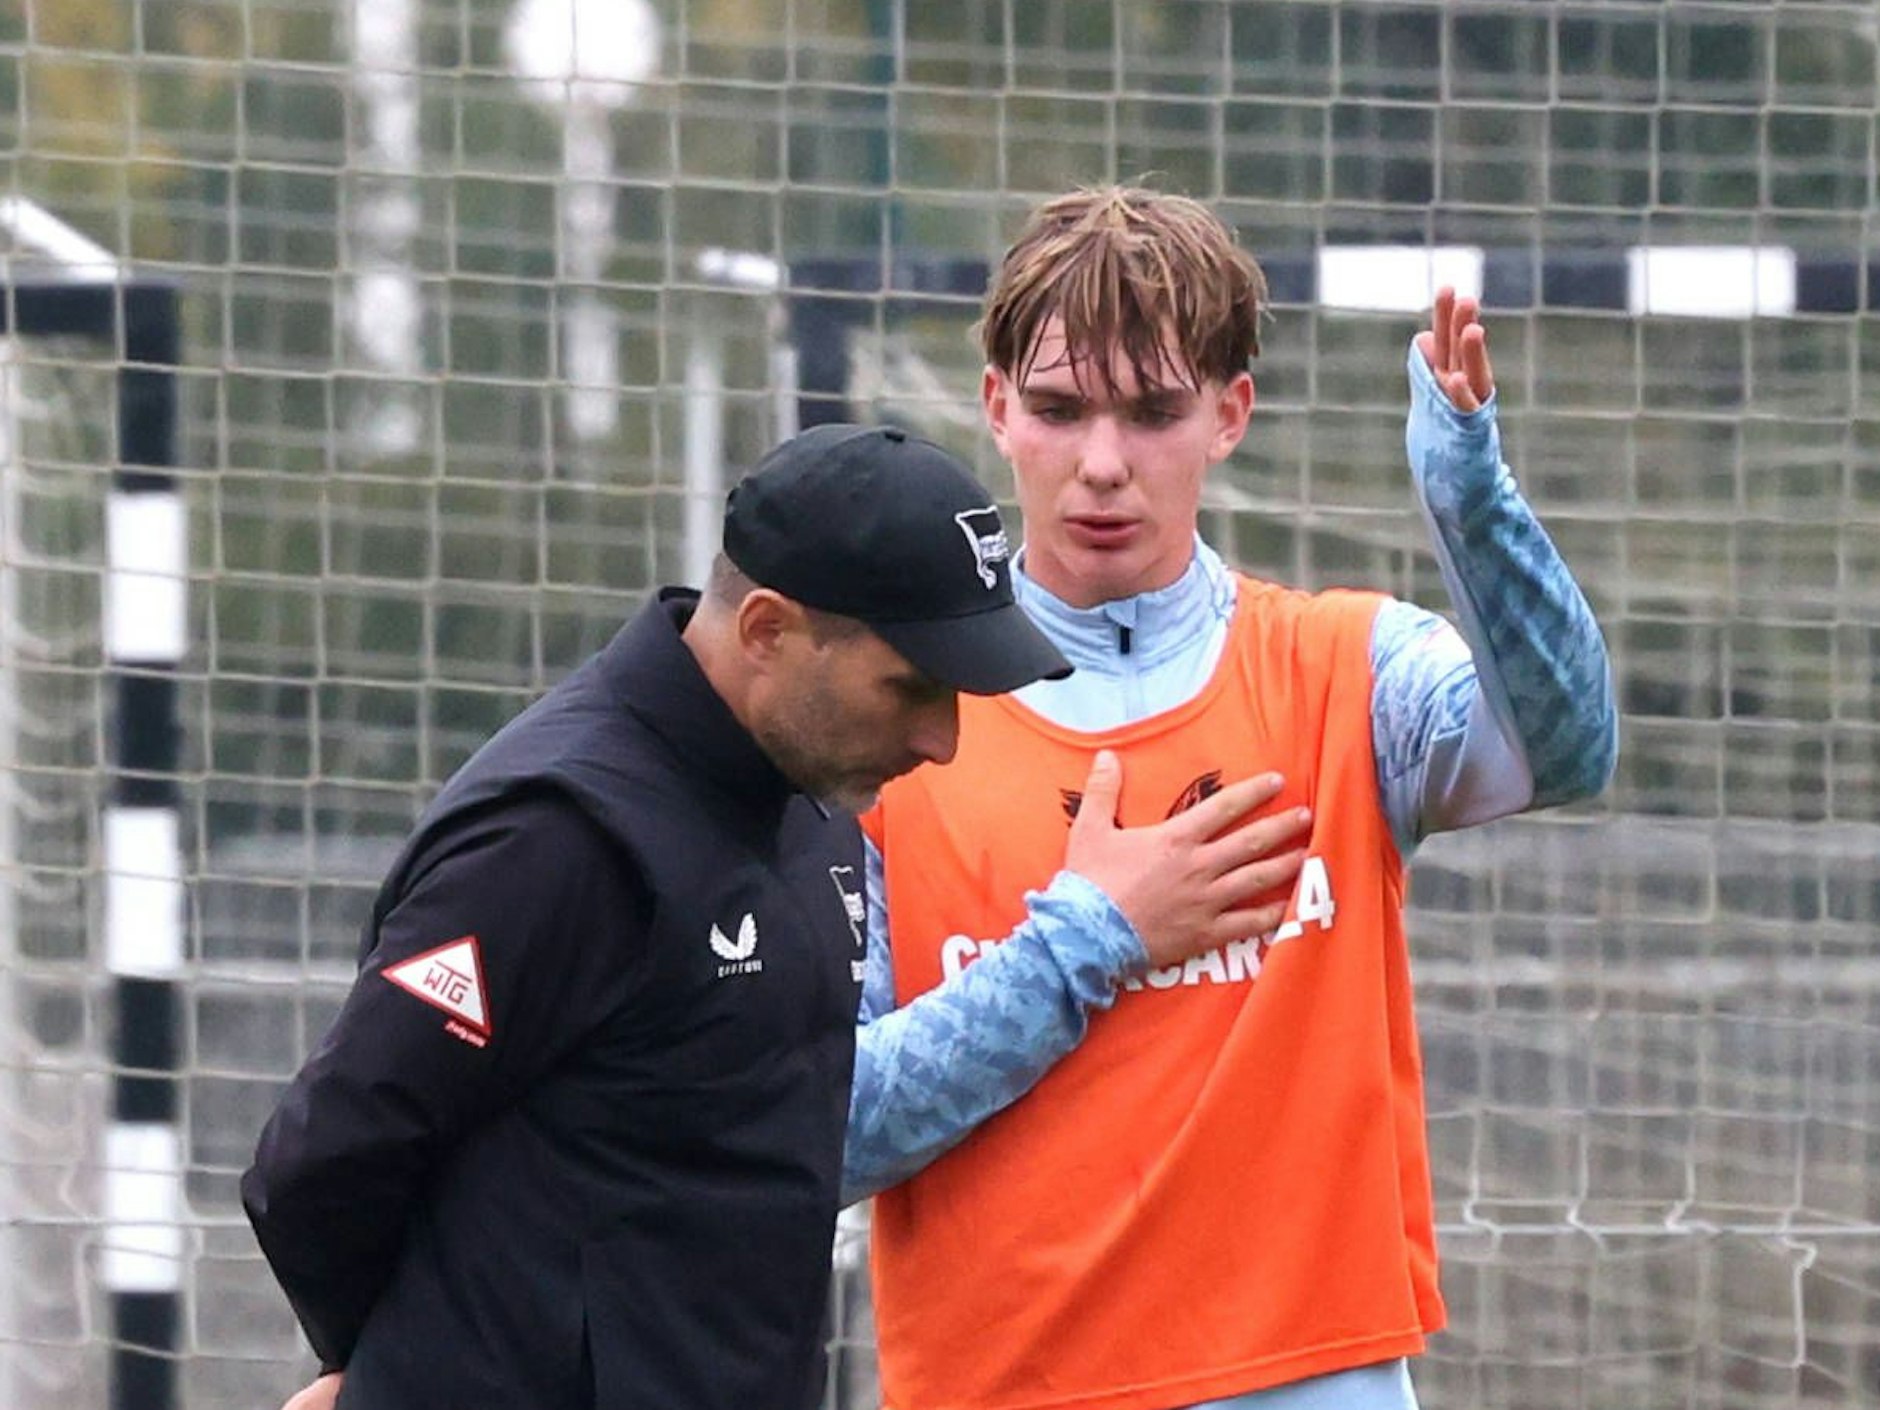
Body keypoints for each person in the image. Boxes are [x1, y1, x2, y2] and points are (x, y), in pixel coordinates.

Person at [242, 421, 1314, 1410]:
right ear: (768, 630)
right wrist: (380, 1369)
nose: (941, 741)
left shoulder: (814, 819)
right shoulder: (560, 837)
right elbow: (323, 1157)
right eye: (910, 688)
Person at [846, 187, 1620, 1410]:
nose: (1102, 463)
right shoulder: (888, 727)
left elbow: (1566, 749)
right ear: (996, 409)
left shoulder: (1344, 670)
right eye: (1058, 409)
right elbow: (827, 1124)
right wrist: (1087, 941)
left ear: (1227, 414)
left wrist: (1473, 504)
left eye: (1152, 411)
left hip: (1310, 1380)